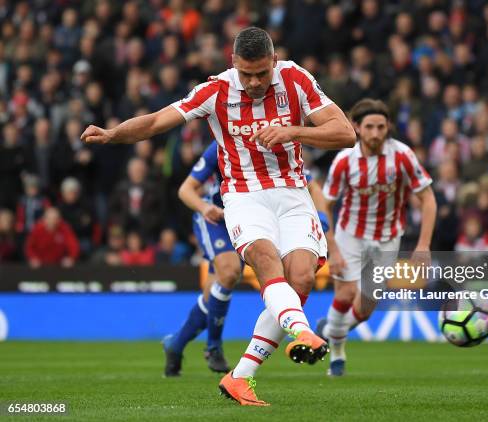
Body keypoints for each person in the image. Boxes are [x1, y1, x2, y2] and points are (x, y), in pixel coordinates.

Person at [81, 27, 355, 406]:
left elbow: (346, 133)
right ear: (233, 65)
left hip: (293, 192)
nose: (255, 82)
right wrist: (113, 134)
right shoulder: (216, 90)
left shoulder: (295, 78)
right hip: (244, 195)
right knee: (264, 258)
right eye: (247, 74)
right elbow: (158, 121)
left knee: (303, 277)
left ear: (274, 61)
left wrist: (292, 130)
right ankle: (303, 332)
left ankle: (240, 377)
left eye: (262, 73)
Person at [163, 139, 332, 377]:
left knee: (213, 291)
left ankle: (176, 344)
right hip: (218, 218)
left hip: (259, 217)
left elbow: (310, 183)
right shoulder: (222, 142)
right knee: (230, 271)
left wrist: (321, 215)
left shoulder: (273, 139)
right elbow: (185, 189)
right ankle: (214, 346)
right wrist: (203, 208)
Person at [317, 99, 437, 376]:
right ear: (357, 127)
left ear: (388, 127)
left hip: (388, 238)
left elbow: (428, 199)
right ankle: (336, 354)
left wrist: (423, 245)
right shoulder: (344, 161)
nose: (375, 133)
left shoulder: (403, 156)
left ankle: (330, 331)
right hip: (350, 235)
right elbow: (326, 204)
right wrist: (332, 247)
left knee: (367, 307)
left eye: (381, 127)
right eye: (369, 126)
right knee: (346, 293)